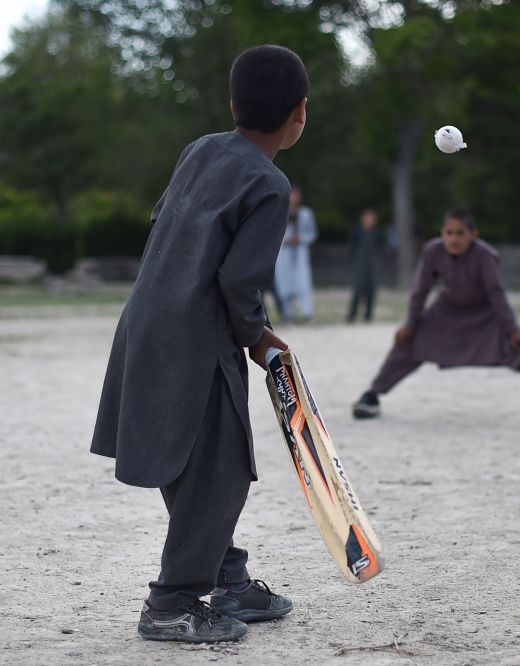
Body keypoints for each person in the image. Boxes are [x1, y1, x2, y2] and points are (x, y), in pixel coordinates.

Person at [90, 45, 307, 645]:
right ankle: (173, 602)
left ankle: (227, 578)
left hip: (145, 322)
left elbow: (165, 224)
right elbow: (241, 281)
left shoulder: (200, 150)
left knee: (185, 460)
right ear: (301, 113)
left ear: (232, 105)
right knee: (222, 466)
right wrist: (258, 339)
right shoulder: (270, 183)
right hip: (197, 339)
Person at [352, 210, 520, 428]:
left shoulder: (484, 255)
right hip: (446, 311)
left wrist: (514, 328)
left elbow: (497, 293)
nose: (454, 239)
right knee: (407, 342)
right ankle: (372, 395)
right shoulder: (433, 251)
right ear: (442, 233)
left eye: (460, 233)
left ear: (473, 235)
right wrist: (410, 324)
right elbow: (420, 291)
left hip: (485, 313)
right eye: (449, 233)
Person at [274, 186, 317, 322]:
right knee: (285, 283)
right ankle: (288, 314)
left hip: (300, 251)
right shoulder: (279, 211)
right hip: (284, 251)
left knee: (303, 282)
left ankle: (306, 313)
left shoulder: (305, 213)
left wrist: (301, 239)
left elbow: (312, 234)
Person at [347, 208, 383, 322]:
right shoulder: (356, 232)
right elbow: (351, 248)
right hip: (360, 263)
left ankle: (368, 315)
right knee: (358, 289)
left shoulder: (377, 234)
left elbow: (380, 249)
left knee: (371, 290)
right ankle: (352, 315)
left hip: (372, 264)